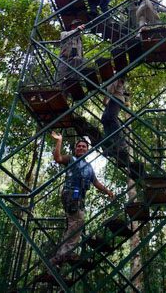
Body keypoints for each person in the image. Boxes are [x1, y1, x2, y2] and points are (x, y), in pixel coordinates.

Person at [50, 131, 114, 266]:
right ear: (75, 149)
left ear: (87, 150)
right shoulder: (71, 159)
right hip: (71, 194)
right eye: (78, 146)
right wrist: (59, 141)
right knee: (77, 223)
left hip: (80, 198)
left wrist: (107, 191)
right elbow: (58, 158)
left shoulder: (89, 167)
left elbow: (95, 182)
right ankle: (63, 254)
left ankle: (62, 254)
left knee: (75, 224)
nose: (80, 148)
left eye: (83, 147)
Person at [101, 76, 127, 153]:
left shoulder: (116, 76)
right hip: (114, 99)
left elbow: (110, 89)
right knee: (104, 118)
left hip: (117, 99)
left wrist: (105, 100)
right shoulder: (113, 76)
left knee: (112, 118)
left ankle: (121, 143)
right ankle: (109, 140)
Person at [56, 19, 85, 87]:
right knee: (61, 78)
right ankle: (60, 88)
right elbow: (65, 37)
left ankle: (74, 84)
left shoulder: (79, 39)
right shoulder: (64, 33)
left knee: (81, 62)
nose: (78, 27)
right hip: (65, 58)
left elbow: (80, 51)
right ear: (72, 26)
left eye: (78, 25)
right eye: (76, 25)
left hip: (75, 59)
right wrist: (76, 30)